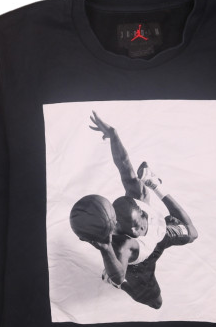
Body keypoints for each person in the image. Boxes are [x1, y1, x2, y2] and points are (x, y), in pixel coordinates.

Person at [83, 110, 198, 309]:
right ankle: (112, 279)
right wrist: (106, 250)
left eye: (140, 220)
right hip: (143, 260)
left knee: (193, 234)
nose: (140, 227)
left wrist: (113, 135)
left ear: (140, 209)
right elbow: (119, 277)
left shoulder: (138, 197)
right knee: (156, 303)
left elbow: (124, 165)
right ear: (120, 229)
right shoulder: (124, 245)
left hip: (160, 235)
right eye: (134, 227)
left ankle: (154, 183)